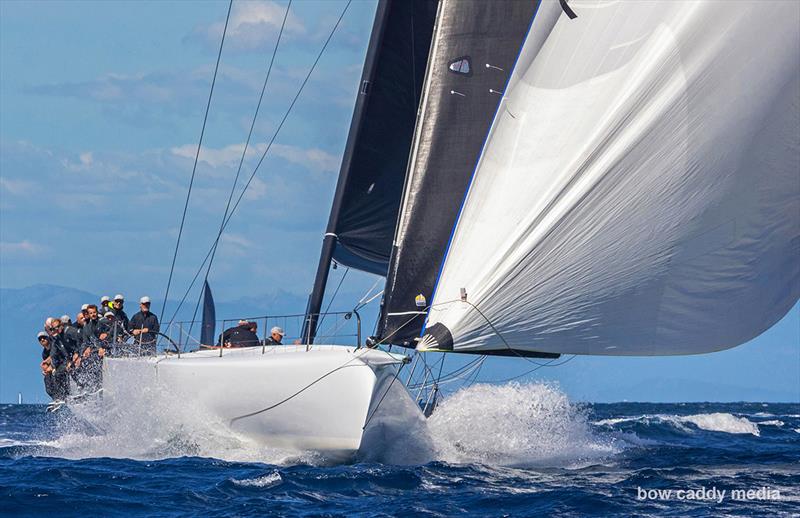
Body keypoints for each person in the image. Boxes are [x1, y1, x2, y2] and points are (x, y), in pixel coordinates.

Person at [37, 331, 59, 400]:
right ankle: (56, 398)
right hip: (53, 368)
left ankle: (63, 395)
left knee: (55, 374)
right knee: (47, 379)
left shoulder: (55, 345)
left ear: (48, 338)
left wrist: (52, 367)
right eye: (40, 339)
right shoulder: (44, 353)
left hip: (60, 364)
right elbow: (46, 364)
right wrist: (45, 371)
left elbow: (56, 356)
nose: (42, 340)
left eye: (44, 337)